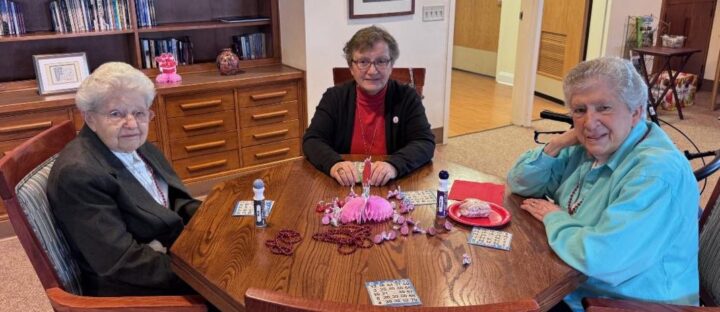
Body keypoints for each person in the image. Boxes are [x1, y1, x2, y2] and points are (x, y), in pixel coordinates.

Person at [507, 57, 699, 311]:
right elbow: (521, 183)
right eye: (579, 110)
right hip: (575, 284)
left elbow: (603, 258)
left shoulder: (655, 173)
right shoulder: (593, 146)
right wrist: (558, 143)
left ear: (636, 112)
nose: (589, 122)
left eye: (604, 108)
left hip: (625, 304)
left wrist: (555, 217)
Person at [47, 62, 201, 296]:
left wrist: (213, 221)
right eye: (115, 114)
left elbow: (171, 199)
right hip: (135, 287)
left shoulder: (130, 143)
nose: (131, 123)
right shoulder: (80, 174)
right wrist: (203, 273)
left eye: (139, 113)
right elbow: (121, 263)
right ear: (90, 118)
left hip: (167, 252)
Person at [302, 25, 435, 186]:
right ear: (351, 67)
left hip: (393, 184)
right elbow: (312, 140)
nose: (372, 71)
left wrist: (394, 165)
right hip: (344, 186)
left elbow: (424, 142)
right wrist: (333, 164)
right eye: (363, 62)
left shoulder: (407, 97)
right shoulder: (334, 97)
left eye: (381, 61)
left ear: (391, 65)